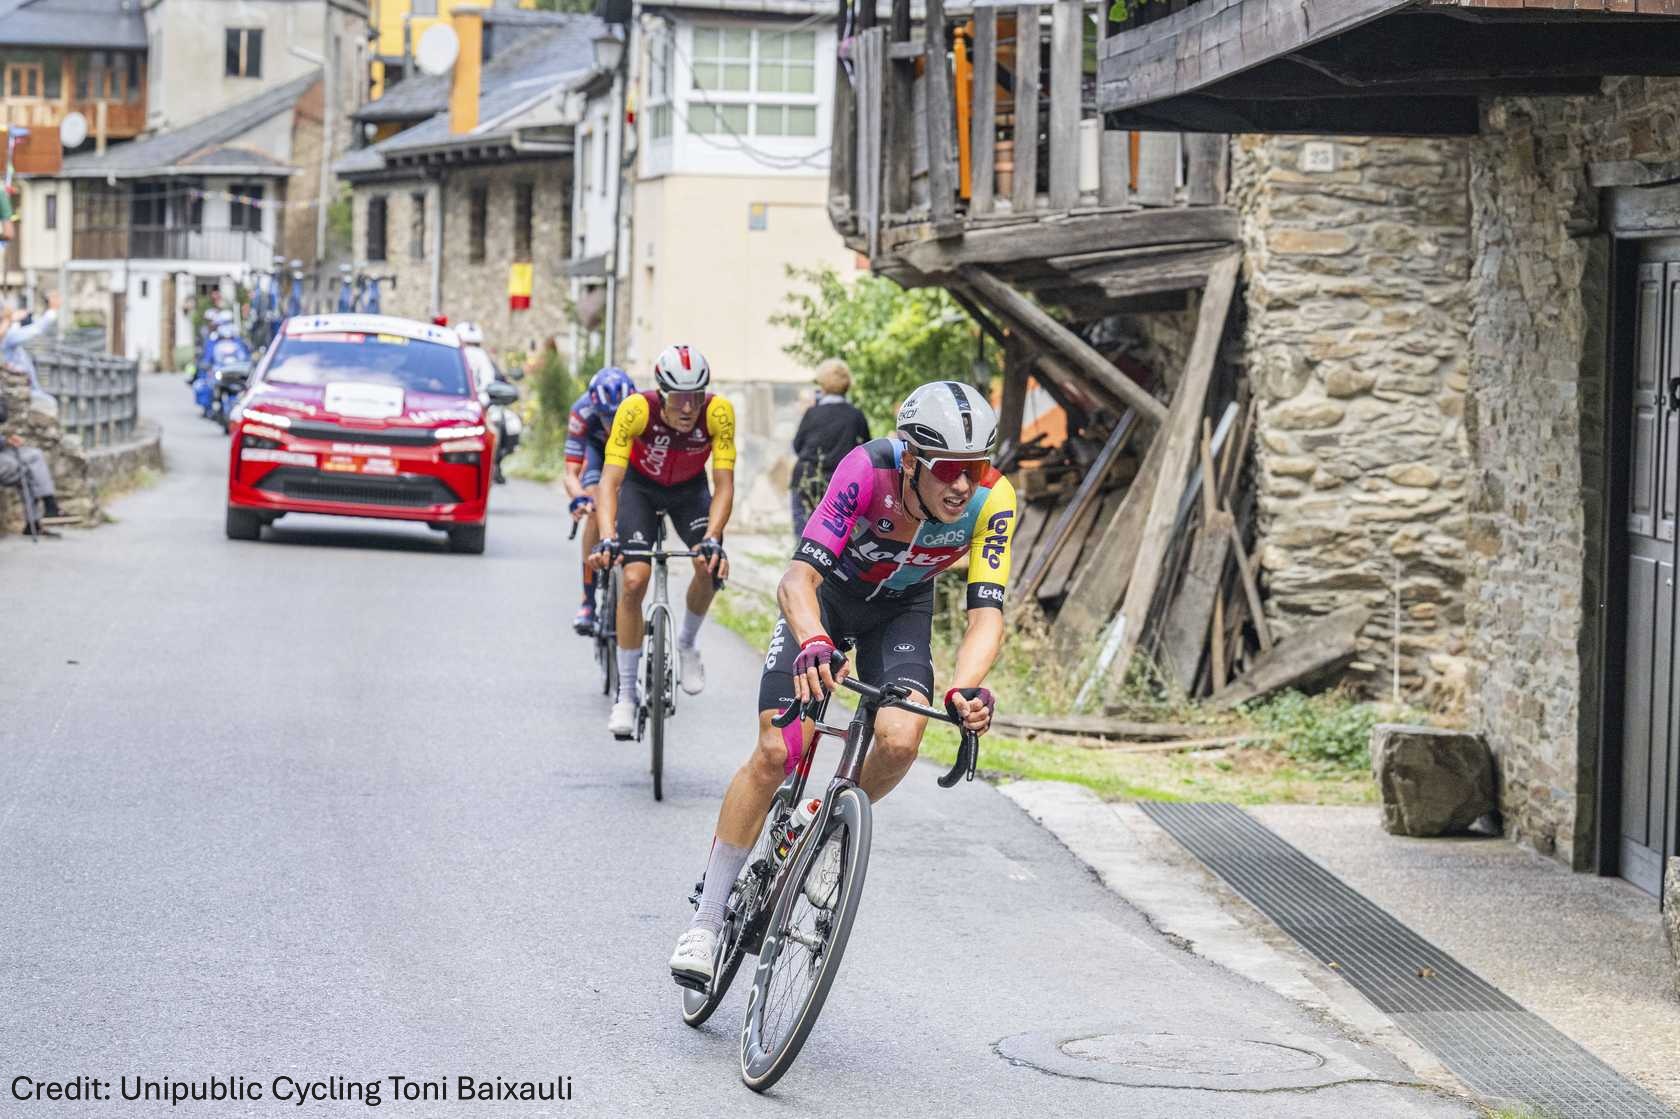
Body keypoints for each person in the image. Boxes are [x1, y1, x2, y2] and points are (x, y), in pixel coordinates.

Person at [668, 381, 1017, 986]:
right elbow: (797, 580)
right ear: (912, 461)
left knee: (901, 739)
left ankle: (824, 825)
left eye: (976, 466)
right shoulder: (867, 469)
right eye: (948, 468)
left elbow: (987, 613)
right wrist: (813, 640)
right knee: (778, 751)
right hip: (826, 603)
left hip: (900, 613)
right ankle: (707, 917)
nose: (964, 484)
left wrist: (966, 687)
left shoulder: (994, 499)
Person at [586, 344, 735, 739]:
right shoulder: (636, 409)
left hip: (689, 492)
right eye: (679, 398)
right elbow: (610, 481)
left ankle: (686, 643)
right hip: (640, 489)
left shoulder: (718, 412)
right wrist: (607, 536)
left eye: (696, 397)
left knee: (709, 565)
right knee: (634, 580)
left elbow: (724, 484)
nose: (688, 408)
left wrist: (713, 538)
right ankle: (626, 695)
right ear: (662, 393)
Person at [564, 367, 637, 635]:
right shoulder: (582, 411)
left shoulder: (641, 409)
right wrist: (580, 498)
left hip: (632, 451)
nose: (613, 424)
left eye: (618, 416)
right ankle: (587, 600)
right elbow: (571, 473)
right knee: (596, 507)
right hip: (598, 453)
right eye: (607, 417)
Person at [788, 358, 870, 536]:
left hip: (806, 480)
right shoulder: (855, 416)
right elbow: (866, 453)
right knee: (834, 539)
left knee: (803, 538)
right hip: (841, 486)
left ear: (822, 384)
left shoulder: (812, 413)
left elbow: (797, 446)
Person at [1, 291, 61, 405]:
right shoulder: (9, 337)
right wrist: (52, 310)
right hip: (17, 394)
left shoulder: (9, 336)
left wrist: (13, 318)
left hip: (20, 392)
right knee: (49, 403)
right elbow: (37, 329)